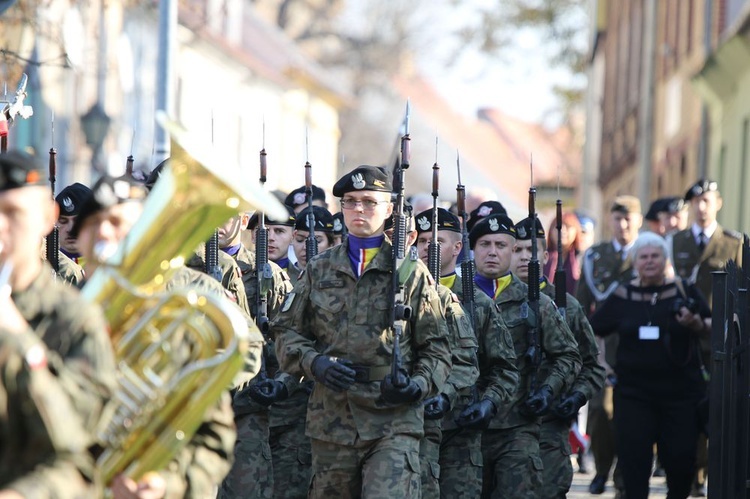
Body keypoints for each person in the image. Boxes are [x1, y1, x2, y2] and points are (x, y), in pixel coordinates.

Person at [73, 173, 260, 498]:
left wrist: (188, 390)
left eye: (119, 225)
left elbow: (245, 348)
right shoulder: (60, 304)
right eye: (94, 224)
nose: (105, 234)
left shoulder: (187, 293)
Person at [271, 165, 452, 498]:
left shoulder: (411, 272)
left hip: (393, 419)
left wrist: (417, 386)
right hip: (332, 421)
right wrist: (315, 364)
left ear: (388, 210)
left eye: (370, 202)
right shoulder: (319, 268)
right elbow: (285, 333)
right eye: (351, 201)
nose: (359, 209)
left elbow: (438, 347)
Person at [0, 150, 118, 495]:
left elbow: (78, 444)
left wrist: (21, 341)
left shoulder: (75, 317)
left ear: (47, 218)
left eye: (12, 214)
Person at [458, 212, 581, 498]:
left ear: (513, 252)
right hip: (464, 426)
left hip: (516, 426)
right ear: (472, 250)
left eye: (500, 245)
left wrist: (548, 390)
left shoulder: (536, 302)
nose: (492, 252)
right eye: (484, 244)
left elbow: (569, 356)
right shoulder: (454, 298)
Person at [590, 232, 710, 499]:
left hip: (681, 394)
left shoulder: (683, 289)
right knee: (634, 464)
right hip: (634, 394)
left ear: (665, 259)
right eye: (643, 257)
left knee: (680, 461)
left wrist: (695, 323)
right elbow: (592, 330)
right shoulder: (622, 294)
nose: (649, 261)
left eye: (655, 256)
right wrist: (602, 364)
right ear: (635, 263)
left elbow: (712, 326)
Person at [414, 207, 519, 499]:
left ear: (458, 247)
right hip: (413, 427)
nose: (427, 248)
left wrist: (488, 403)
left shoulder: (477, 303)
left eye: (436, 242)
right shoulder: (400, 296)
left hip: (460, 433)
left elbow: (504, 369)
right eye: (421, 241)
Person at [512, 216, 605, 498]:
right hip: (501, 429)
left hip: (549, 425)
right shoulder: (490, 301)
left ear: (544, 254)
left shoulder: (566, 305)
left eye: (532, 250)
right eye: (517, 250)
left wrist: (576, 396)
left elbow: (591, 367)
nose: (525, 257)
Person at [670, 178, 742, 497]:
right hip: (683, 339)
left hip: (720, 338)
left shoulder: (733, 243)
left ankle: (715, 472)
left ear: (719, 203)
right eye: (696, 202)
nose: (701, 207)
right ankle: (694, 476)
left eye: (707, 200)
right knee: (688, 406)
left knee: (718, 406)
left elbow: (741, 294)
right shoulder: (676, 242)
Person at [215, 210, 293, 499]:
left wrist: (280, 382)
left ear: (243, 218)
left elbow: (291, 336)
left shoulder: (266, 272)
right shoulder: (177, 268)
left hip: (246, 407)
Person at [577, 195, 642, 495]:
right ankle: (602, 468)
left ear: (638, 221)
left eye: (629, 218)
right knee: (602, 413)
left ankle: (623, 478)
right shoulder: (596, 256)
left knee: (631, 418)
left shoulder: (649, 253)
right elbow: (582, 304)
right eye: (617, 218)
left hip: (638, 348)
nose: (623, 224)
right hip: (603, 348)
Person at [543, 210, 584, 294]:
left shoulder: (582, 258)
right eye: (558, 226)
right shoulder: (542, 256)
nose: (562, 231)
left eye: (568, 226)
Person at [55, 182, 91, 267]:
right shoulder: (42, 265)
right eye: (63, 221)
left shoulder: (110, 264)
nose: (70, 229)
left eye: (78, 221)